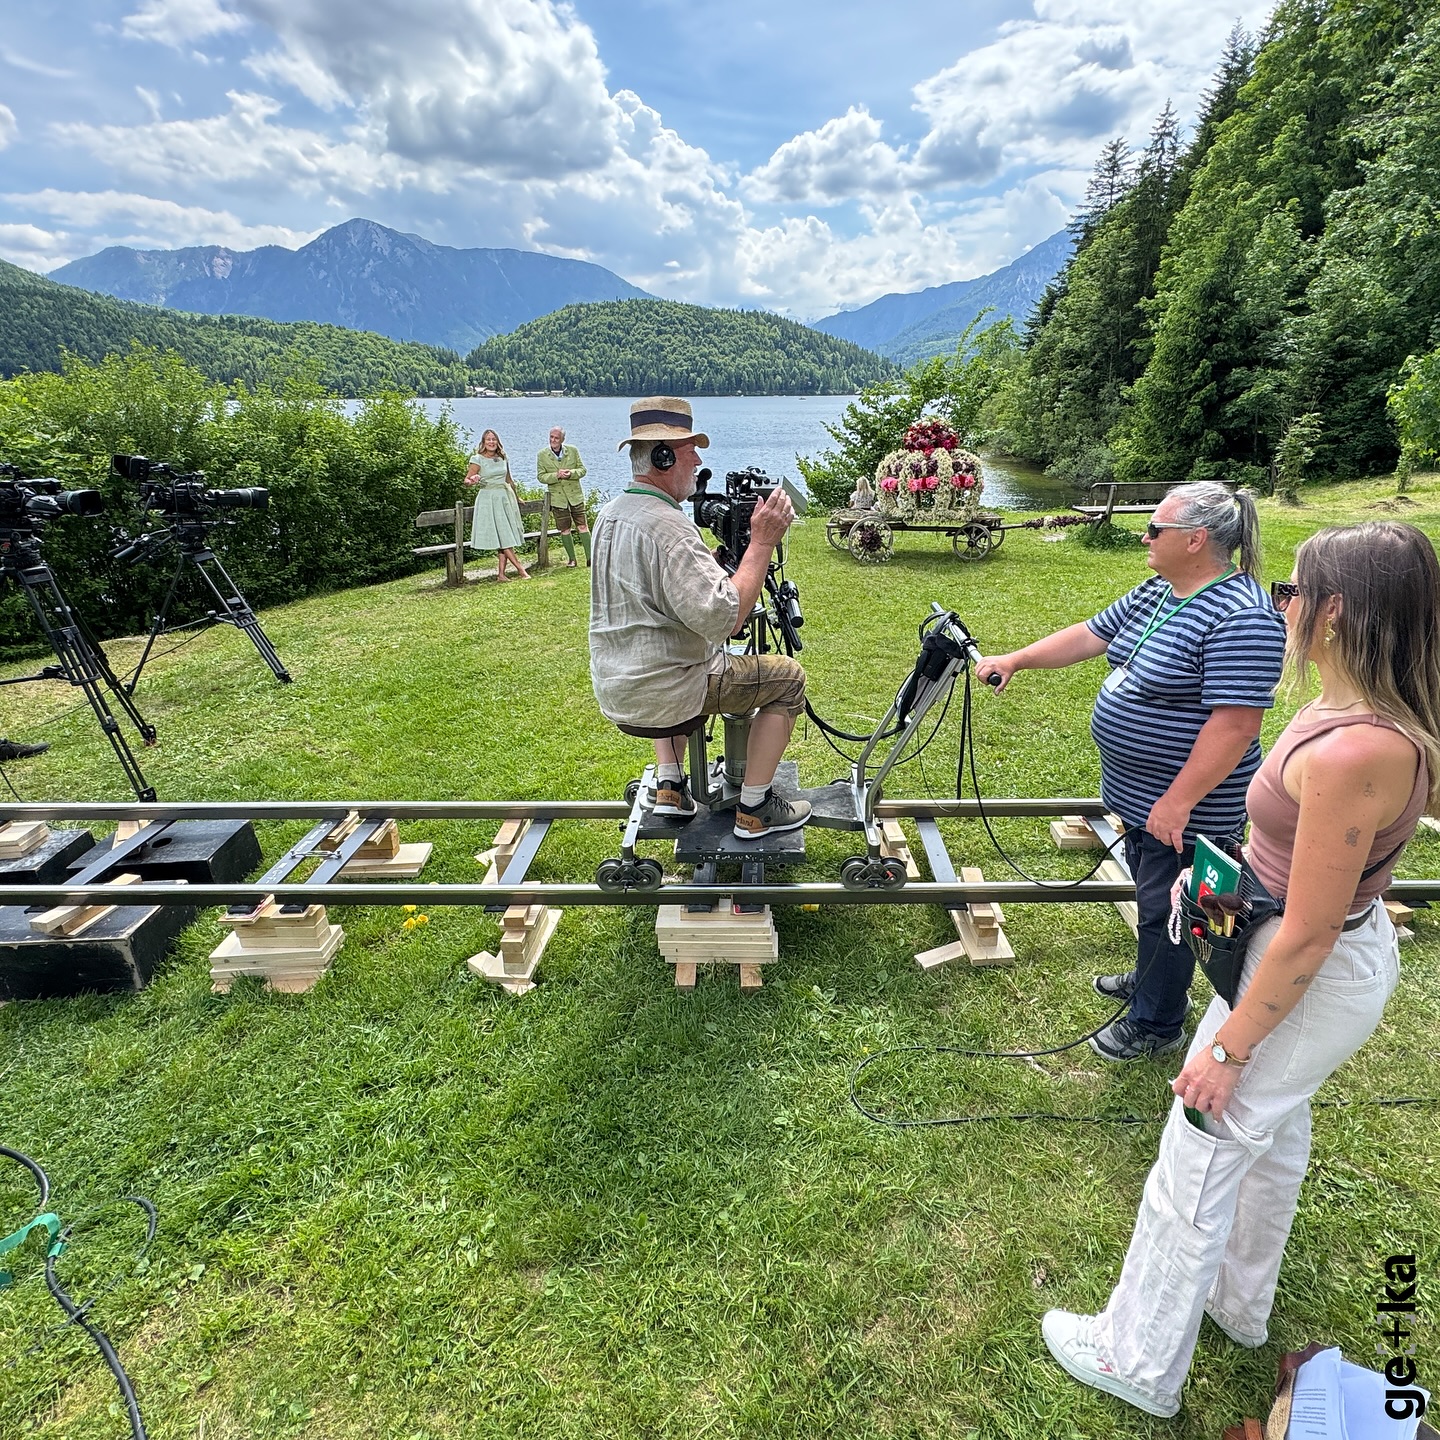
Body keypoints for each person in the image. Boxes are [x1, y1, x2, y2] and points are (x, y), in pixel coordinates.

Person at [1041, 521, 1440, 1419]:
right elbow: (1288, 864)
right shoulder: (1353, 706)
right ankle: (1238, 1302)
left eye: (1292, 592)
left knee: (1201, 1147)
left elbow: (1308, 931)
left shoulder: (1357, 748)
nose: (1278, 605)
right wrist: (1211, 884)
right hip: (1291, 952)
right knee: (1272, 1136)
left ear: (1334, 612)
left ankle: (1136, 1358)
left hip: (1305, 976)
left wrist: (1224, 1052)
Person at [978, 483, 1287, 1060]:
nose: (1145, 536)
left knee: (1169, 909)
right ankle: (1155, 983)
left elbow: (1235, 726)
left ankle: (1157, 1022)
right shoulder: (1161, 591)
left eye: (1156, 529)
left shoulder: (1242, 617)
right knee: (1155, 897)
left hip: (1186, 807)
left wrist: (1177, 801)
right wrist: (1017, 659)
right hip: (1146, 799)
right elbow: (1093, 635)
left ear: (1195, 540)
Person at [589, 396, 811, 839]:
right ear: (665, 456)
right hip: (670, 692)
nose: (698, 461)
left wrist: (703, 566)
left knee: (666, 659)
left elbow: (652, 592)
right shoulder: (668, 527)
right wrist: (762, 542)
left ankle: (671, 785)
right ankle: (756, 808)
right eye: (692, 451)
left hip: (619, 685)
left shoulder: (610, 514)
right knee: (788, 678)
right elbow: (728, 619)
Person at [464, 430, 529, 582]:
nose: (491, 442)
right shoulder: (477, 459)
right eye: (488, 440)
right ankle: (521, 570)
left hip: (504, 498)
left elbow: (509, 479)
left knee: (504, 535)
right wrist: (472, 481)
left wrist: (516, 496)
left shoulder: (503, 458)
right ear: (484, 442)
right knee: (503, 535)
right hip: (488, 499)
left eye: (494, 439)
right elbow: (466, 480)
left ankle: (501, 574)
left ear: (497, 441)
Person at [537, 426, 590, 567]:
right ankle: (572, 560)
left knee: (583, 526)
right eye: (551, 437)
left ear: (562, 439)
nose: (553, 440)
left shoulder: (572, 450)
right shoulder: (542, 455)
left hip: (575, 496)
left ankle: (591, 558)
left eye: (556, 438)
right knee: (564, 529)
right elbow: (541, 477)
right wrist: (556, 476)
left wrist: (571, 473)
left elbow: (582, 470)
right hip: (558, 499)